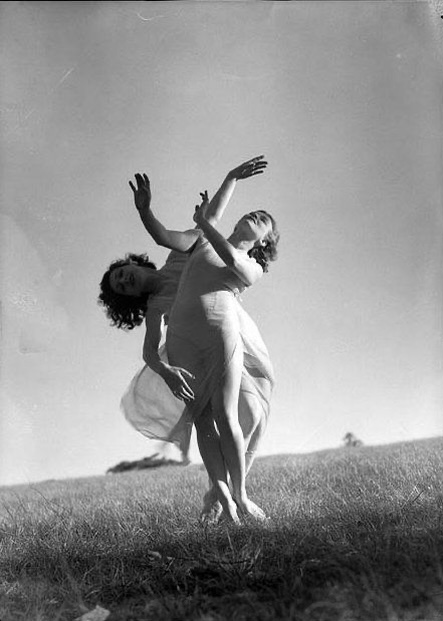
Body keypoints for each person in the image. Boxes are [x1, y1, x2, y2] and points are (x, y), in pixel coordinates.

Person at [129, 156, 279, 523]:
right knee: (202, 420)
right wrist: (230, 177)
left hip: (219, 329)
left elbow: (229, 255)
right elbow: (164, 235)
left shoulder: (252, 266)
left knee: (227, 415)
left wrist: (205, 222)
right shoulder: (201, 236)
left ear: (263, 241)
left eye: (263, 221)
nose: (254, 216)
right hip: (181, 335)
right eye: (253, 212)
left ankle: (241, 496)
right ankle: (223, 497)